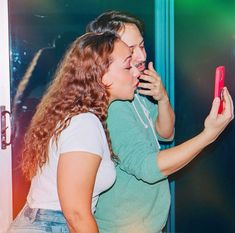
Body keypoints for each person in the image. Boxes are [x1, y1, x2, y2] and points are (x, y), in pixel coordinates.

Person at [86, 11, 234, 233]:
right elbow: (149, 168)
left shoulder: (131, 93)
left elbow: (166, 133)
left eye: (142, 46)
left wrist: (163, 97)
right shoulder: (114, 106)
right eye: (131, 49)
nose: (141, 56)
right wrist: (208, 135)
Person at [7, 32, 140, 233]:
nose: (136, 72)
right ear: (101, 75)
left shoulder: (79, 117)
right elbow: (76, 214)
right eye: (128, 65)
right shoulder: (84, 123)